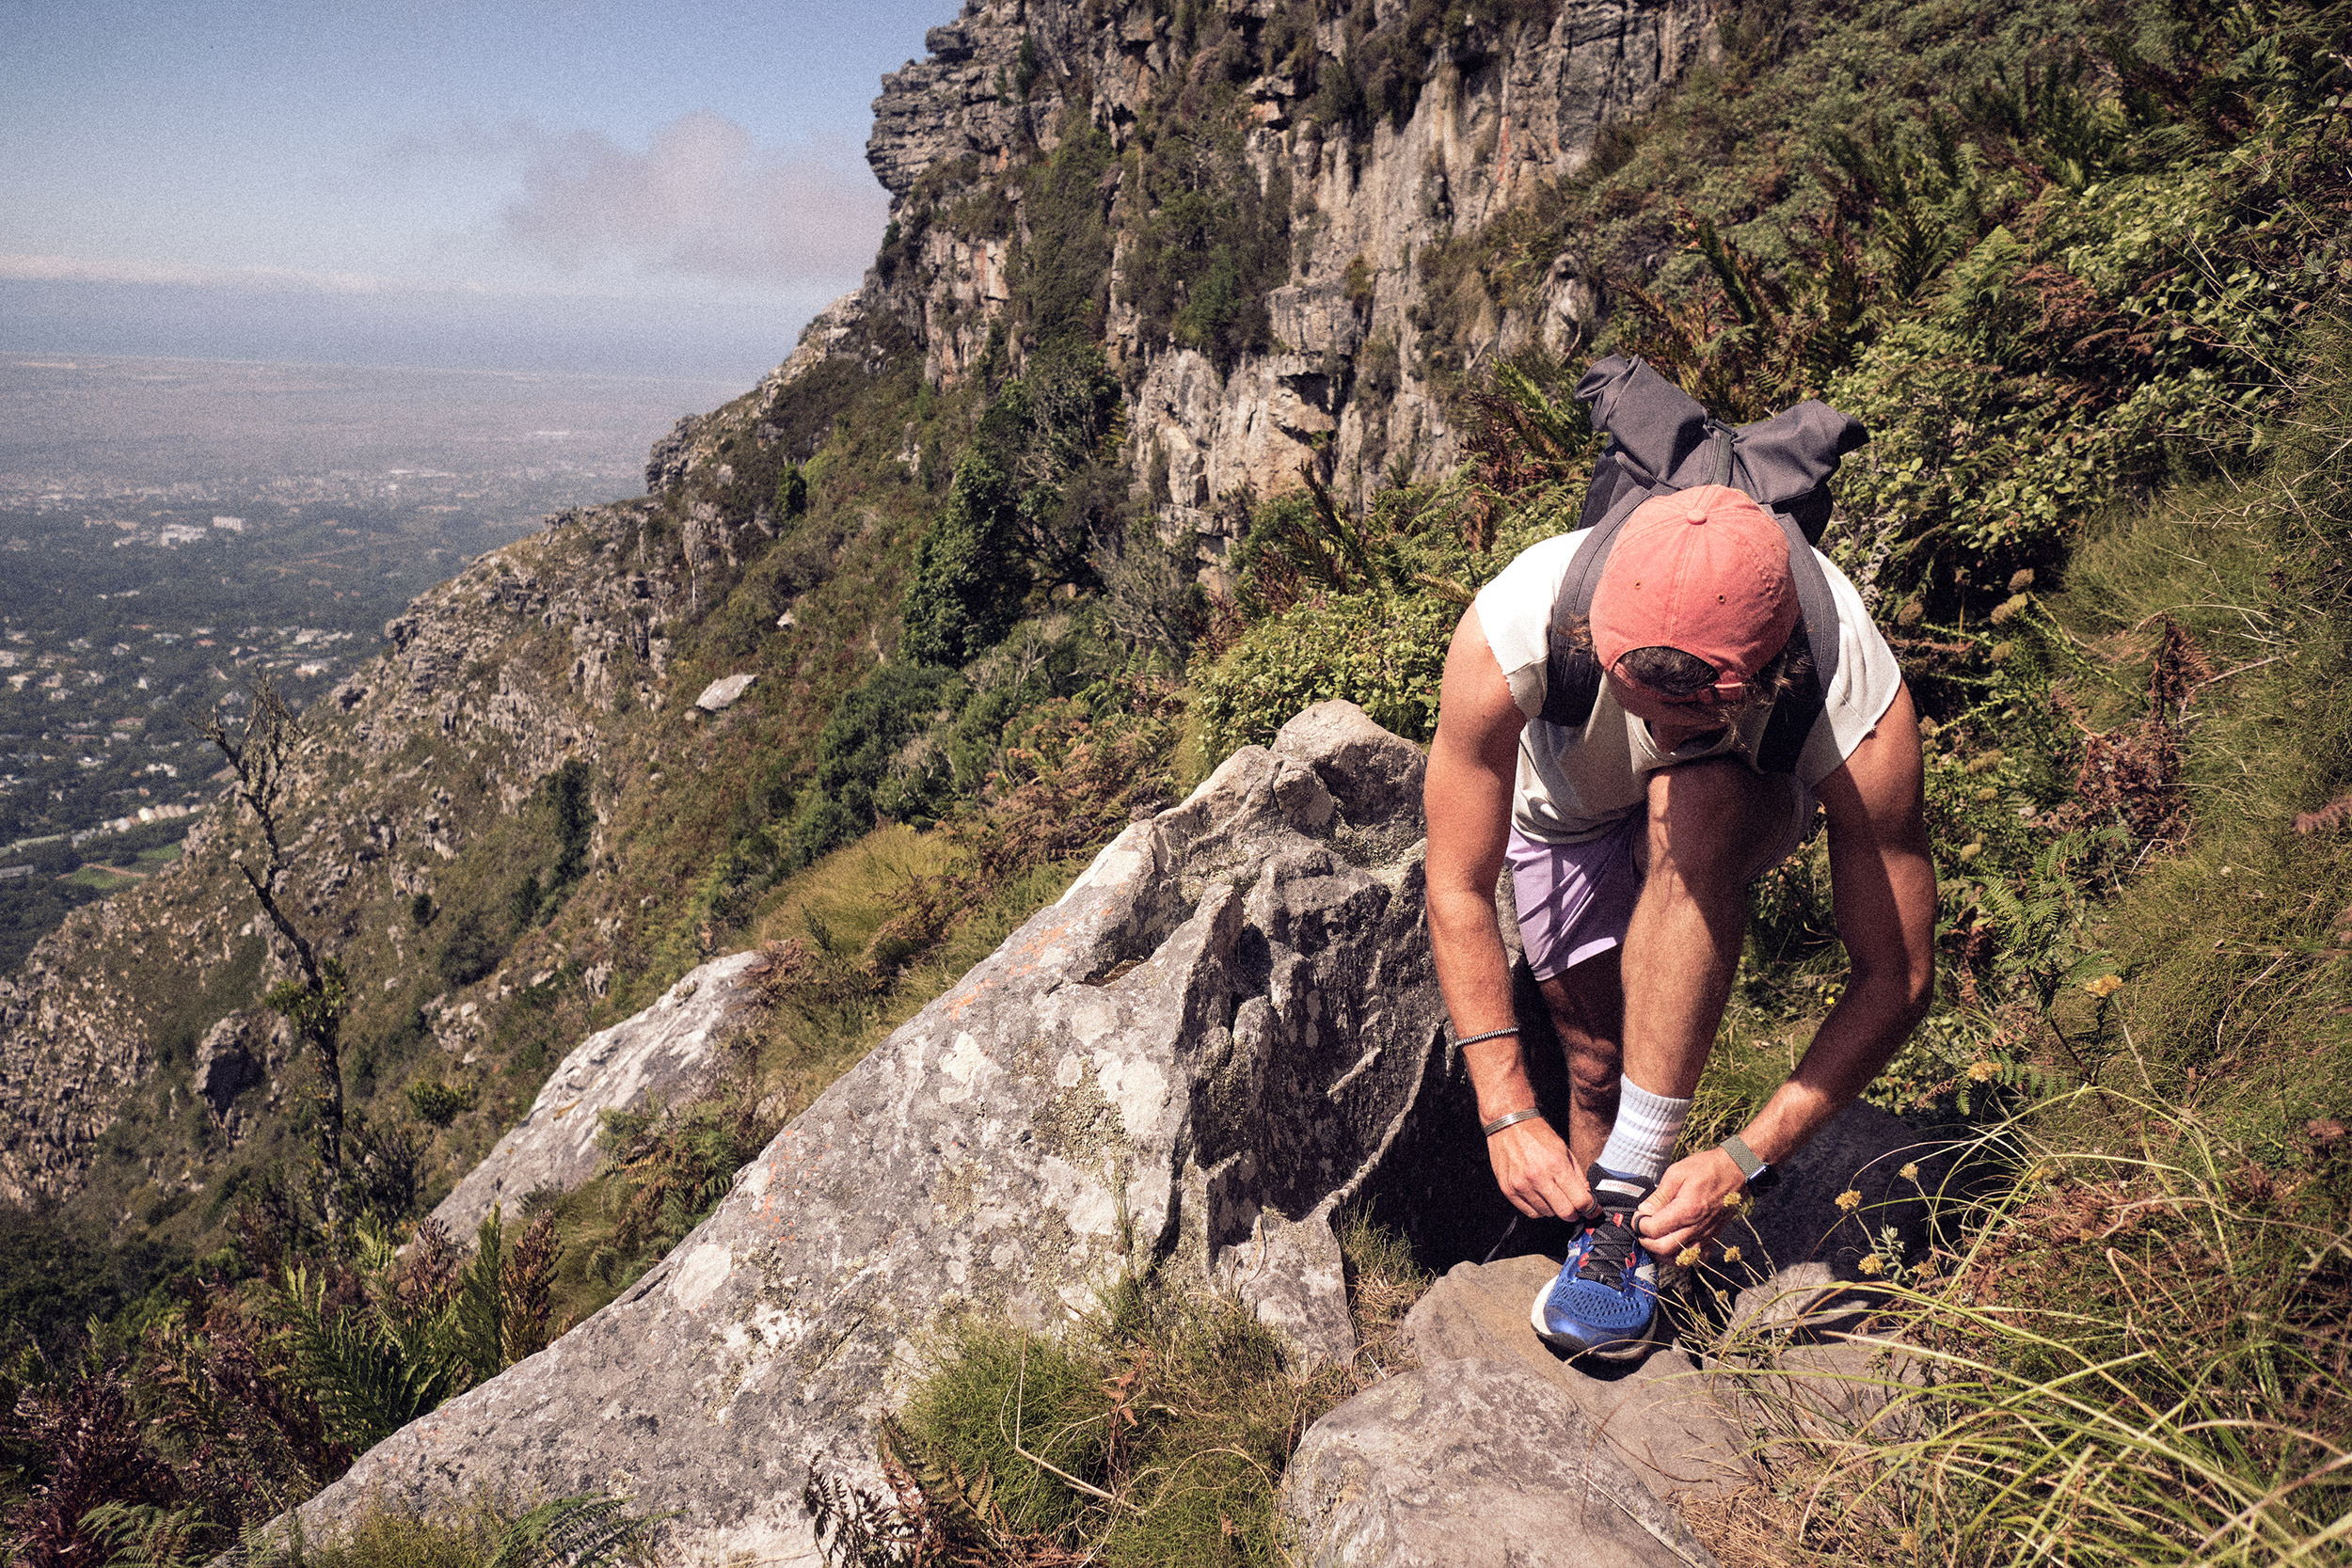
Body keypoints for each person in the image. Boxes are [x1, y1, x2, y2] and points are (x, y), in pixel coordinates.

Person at [1422, 483, 1936, 1359]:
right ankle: (1603, 1237)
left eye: (1695, 719)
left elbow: (1900, 975)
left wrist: (1746, 1158)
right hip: (1566, 807)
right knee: (1595, 1063)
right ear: (1595, 641)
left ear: (1773, 671)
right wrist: (1505, 1108)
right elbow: (1458, 885)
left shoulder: (1853, 692)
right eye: (1638, 705)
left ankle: (1622, 1210)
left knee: (1694, 798)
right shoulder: (1516, 625)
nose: (1660, 736)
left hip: (1736, 802)